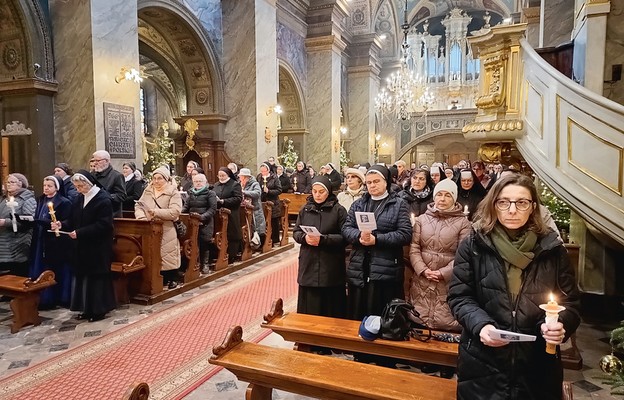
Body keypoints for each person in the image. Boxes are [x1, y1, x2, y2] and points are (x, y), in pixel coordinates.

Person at [447, 174, 581, 400]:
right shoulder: (473, 244)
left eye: (521, 202)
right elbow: (459, 297)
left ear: (533, 207)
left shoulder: (552, 249)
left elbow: (570, 303)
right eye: (504, 202)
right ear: (494, 205)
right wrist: (482, 326)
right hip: (483, 363)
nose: (512, 210)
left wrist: (559, 325)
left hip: (537, 364)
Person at [408, 179, 471, 378]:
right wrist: (423, 270)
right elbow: (414, 249)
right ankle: (426, 360)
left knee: (447, 321)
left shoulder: (463, 223)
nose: (442, 199)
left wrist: (443, 273)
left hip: (448, 279)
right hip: (424, 277)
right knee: (424, 317)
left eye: (447, 195)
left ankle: (447, 363)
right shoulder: (421, 220)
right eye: (439, 195)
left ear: (454, 198)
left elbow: (463, 255)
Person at [341, 164, 412, 320]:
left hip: (385, 270)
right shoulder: (359, 204)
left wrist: (377, 240)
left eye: (376, 181)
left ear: (386, 182)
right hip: (360, 267)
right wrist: (359, 236)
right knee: (357, 315)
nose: (372, 185)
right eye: (369, 182)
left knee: (381, 317)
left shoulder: (398, 204)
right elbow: (346, 228)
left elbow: (405, 234)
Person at [52, 170, 116, 322]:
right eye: (76, 186)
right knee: (83, 277)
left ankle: (99, 310)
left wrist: (80, 232)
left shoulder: (103, 199)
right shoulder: (79, 198)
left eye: (80, 186)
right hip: (82, 246)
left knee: (96, 279)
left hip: (98, 246)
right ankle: (86, 308)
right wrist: (62, 224)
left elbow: (104, 225)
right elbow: (73, 220)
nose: (78, 189)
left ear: (89, 183)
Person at [293, 175, 347, 321]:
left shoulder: (338, 210)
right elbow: (296, 232)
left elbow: (346, 237)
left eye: (321, 192)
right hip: (308, 263)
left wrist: (323, 240)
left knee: (330, 310)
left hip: (330, 266)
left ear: (328, 192)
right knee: (309, 312)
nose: (317, 195)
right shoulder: (305, 209)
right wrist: (304, 238)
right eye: (314, 191)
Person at [135, 166, 182, 289]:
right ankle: (156, 277)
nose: (156, 181)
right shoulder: (148, 190)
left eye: (159, 178)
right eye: (154, 178)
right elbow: (139, 206)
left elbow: (175, 211)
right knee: (153, 253)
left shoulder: (173, 192)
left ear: (166, 179)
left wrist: (154, 212)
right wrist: (142, 218)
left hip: (166, 228)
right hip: (149, 227)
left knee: (167, 253)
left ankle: (172, 278)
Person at [30, 176, 72, 309]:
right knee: (40, 266)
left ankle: (55, 297)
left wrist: (59, 224)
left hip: (55, 241)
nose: (46, 188)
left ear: (57, 188)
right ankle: (41, 297)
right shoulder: (41, 199)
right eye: (44, 185)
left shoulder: (64, 202)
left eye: (49, 186)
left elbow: (69, 220)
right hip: (40, 238)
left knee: (54, 268)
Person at [0, 173, 36, 276]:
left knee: (14, 277)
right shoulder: (4, 199)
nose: (8, 184)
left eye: (12, 182)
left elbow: (28, 222)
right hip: (3, 245)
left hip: (16, 246)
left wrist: (5, 222)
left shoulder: (27, 199)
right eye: (7, 182)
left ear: (21, 184)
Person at [182, 173, 217, 274]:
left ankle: (204, 264)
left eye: (200, 181)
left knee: (204, 243)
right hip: (193, 223)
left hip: (205, 223)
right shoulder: (191, 193)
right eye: (196, 181)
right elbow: (186, 207)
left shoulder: (210, 193)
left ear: (205, 182)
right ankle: (193, 263)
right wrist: (180, 214)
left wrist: (202, 217)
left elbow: (212, 209)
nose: (198, 183)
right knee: (192, 243)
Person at [213, 167, 243, 263]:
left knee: (232, 233)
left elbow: (238, 198)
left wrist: (223, 201)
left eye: (223, 175)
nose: (221, 177)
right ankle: (219, 254)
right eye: (219, 175)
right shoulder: (216, 185)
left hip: (231, 212)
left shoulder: (235, 185)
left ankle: (232, 255)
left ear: (228, 175)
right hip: (218, 213)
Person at [92, 150, 126, 217]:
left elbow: (121, 196)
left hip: (111, 215)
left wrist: (105, 196)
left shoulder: (117, 176)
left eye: (98, 161)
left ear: (107, 161)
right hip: (95, 213)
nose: (95, 163)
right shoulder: (92, 175)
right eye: (94, 161)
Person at [239, 168, 266, 247]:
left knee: (257, 228)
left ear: (246, 177)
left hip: (255, 210)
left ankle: (258, 244)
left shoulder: (255, 184)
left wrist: (244, 192)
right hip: (243, 209)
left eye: (241, 177)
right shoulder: (240, 183)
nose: (240, 178)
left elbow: (257, 193)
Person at [257, 162, 282, 246]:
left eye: (264, 171)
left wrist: (269, 191)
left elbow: (279, 190)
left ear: (268, 170)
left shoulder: (274, 177)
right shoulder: (259, 177)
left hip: (273, 202)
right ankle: (264, 238)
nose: (262, 173)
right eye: (261, 171)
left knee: (273, 221)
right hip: (263, 201)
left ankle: (275, 239)